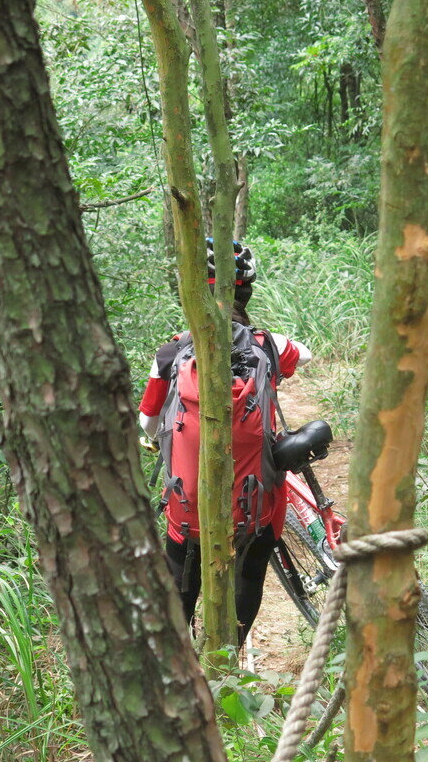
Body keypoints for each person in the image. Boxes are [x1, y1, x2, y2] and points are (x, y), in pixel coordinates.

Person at [138, 240, 311, 639]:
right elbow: (306, 355)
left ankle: (178, 664)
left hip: (189, 504)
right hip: (254, 505)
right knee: (251, 570)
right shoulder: (269, 345)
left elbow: (147, 422)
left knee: (182, 570)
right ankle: (228, 656)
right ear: (246, 291)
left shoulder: (171, 353)